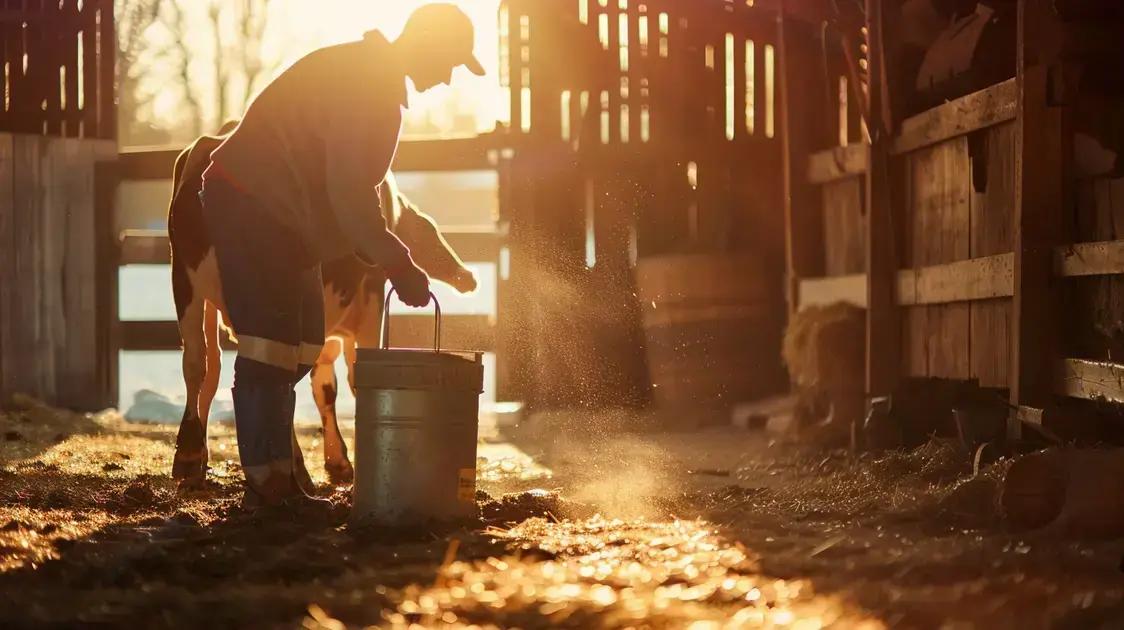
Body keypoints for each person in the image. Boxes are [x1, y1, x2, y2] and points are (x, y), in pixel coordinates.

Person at [198, 4, 485, 509]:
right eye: (450, 62)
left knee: (306, 342)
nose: (447, 78)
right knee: (269, 345)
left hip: (286, 216)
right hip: (254, 202)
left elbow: (358, 190)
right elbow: (350, 193)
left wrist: (385, 250)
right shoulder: (370, 88)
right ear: (426, 45)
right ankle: (267, 485)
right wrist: (397, 262)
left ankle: (281, 477)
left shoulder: (373, 78)